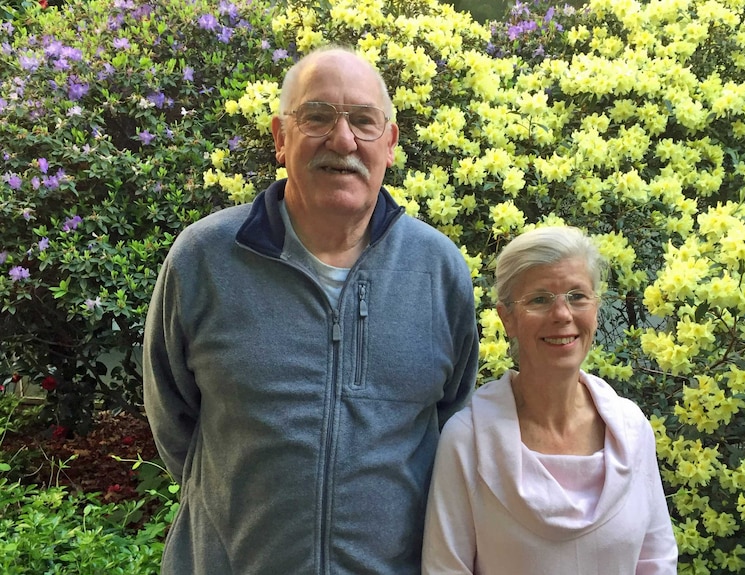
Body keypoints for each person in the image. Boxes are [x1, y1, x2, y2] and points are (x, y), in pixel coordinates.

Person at [143, 45, 479, 574]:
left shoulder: (437, 270)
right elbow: (172, 418)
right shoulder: (204, 259)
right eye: (317, 117)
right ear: (280, 138)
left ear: (389, 144)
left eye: (364, 121)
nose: (342, 140)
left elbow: (451, 417)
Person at [422, 226, 678, 574]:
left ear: (596, 309)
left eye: (577, 296)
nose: (562, 314)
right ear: (507, 318)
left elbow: (656, 563)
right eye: (540, 299)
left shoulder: (631, 430)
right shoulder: (468, 440)